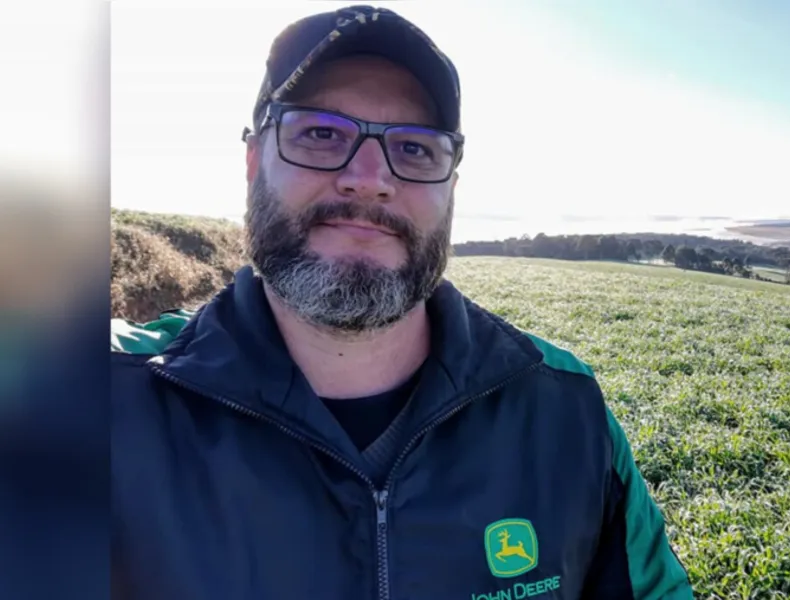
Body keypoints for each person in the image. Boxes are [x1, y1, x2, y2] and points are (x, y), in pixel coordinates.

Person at [110, 5, 694, 599]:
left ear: (451, 189)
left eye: (414, 149)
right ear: (254, 159)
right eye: (321, 133)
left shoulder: (565, 410)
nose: (369, 178)